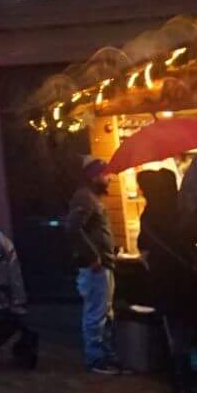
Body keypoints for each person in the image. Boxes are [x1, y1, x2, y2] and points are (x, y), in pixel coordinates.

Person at [137, 167, 197, 393]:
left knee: (175, 335)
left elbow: (144, 250)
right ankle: (187, 384)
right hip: (186, 282)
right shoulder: (181, 211)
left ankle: (179, 384)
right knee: (186, 334)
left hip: (165, 284)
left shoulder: (149, 214)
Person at [64, 158, 122, 374]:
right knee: (96, 313)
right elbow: (72, 227)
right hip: (96, 266)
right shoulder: (85, 197)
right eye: (105, 174)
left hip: (103, 263)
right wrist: (93, 256)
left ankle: (105, 355)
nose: (108, 179)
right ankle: (96, 359)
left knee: (104, 312)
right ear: (94, 176)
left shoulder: (91, 198)